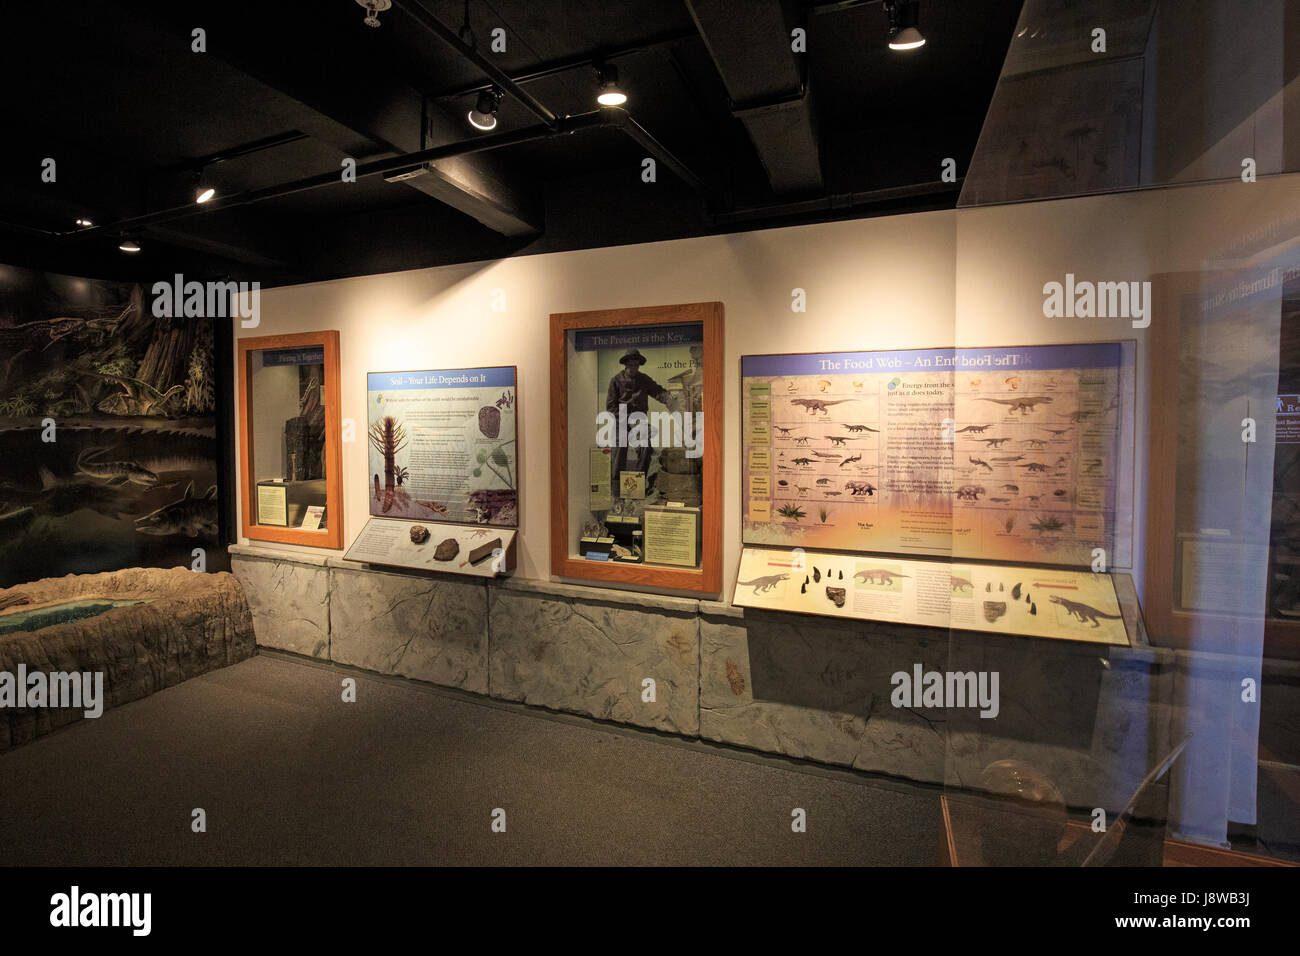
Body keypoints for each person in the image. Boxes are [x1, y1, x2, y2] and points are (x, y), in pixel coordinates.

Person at [606, 348, 674, 494]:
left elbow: (658, 391)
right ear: (625, 364)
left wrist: (670, 398)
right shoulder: (615, 381)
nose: (633, 368)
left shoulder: (644, 379)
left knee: (646, 447)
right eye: (630, 365)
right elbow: (610, 408)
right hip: (621, 421)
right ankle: (617, 492)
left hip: (639, 419)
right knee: (619, 451)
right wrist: (626, 420)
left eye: (636, 365)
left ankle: (637, 486)